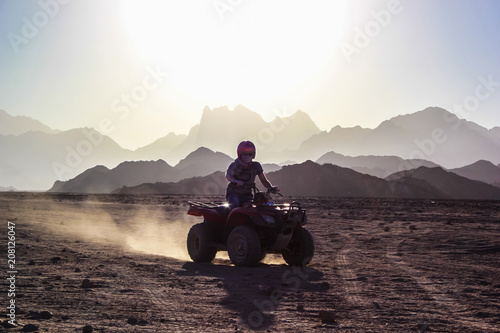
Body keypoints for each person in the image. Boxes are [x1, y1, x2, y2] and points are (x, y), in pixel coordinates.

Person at [225, 141, 279, 210]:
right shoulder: (235, 165)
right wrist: (235, 181)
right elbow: (228, 175)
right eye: (244, 154)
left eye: (250, 154)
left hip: (247, 195)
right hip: (233, 193)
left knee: (252, 211)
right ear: (240, 154)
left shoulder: (256, 166)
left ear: (253, 155)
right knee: (235, 208)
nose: (247, 156)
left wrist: (271, 188)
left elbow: (264, 181)